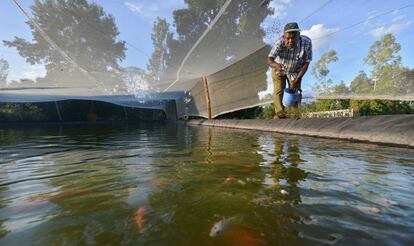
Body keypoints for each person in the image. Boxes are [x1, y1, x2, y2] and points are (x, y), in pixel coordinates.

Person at [267, 22, 312, 119]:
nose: (290, 41)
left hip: (295, 69)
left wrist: (297, 79)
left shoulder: (306, 42)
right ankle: (280, 113)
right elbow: (269, 60)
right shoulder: (279, 43)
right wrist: (277, 66)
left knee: (295, 90)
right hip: (279, 67)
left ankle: (296, 114)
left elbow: (306, 62)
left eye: (293, 38)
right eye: (287, 38)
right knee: (279, 89)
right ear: (284, 36)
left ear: (298, 36)